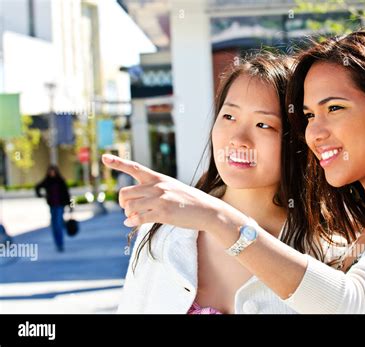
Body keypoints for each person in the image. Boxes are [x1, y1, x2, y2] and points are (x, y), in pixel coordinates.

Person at [103, 30, 365, 314]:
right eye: (310, 116)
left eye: (335, 108)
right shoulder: (364, 229)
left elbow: (352, 303)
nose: (316, 131)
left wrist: (215, 216)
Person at [114, 52, 323, 314]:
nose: (238, 139)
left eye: (262, 124)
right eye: (229, 117)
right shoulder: (164, 230)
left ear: (297, 140)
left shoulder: (325, 249)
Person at [35, 165, 71, 252]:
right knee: (54, 226)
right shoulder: (47, 181)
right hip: (52, 206)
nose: (51, 173)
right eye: (50, 171)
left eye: (53, 171)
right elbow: (37, 187)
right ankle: (57, 243)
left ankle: (60, 243)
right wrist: (40, 195)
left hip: (60, 206)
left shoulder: (60, 181)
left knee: (58, 225)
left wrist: (70, 205)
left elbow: (67, 194)